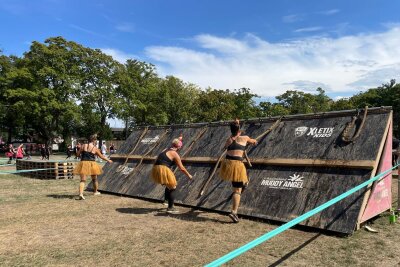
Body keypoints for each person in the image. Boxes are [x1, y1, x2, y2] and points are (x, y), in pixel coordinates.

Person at [219, 119, 257, 223]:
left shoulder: (229, 139)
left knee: (241, 183)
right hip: (236, 165)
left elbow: (225, 147)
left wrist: (237, 124)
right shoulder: (244, 138)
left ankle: (244, 183)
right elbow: (254, 142)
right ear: (239, 130)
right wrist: (249, 142)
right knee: (237, 190)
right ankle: (234, 212)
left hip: (228, 164)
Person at [150, 135, 193, 213]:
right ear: (179, 147)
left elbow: (174, 144)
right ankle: (170, 208)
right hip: (164, 169)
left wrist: (179, 139)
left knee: (168, 184)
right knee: (173, 187)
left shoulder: (165, 149)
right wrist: (188, 175)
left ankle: (166, 201)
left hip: (156, 168)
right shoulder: (174, 154)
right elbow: (181, 168)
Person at [73, 134, 112, 200]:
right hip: (92, 164)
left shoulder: (83, 146)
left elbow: (77, 154)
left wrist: (78, 149)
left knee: (82, 180)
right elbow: (102, 157)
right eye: (96, 140)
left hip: (84, 163)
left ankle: (81, 194)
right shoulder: (95, 148)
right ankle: (95, 191)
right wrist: (108, 160)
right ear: (94, 140)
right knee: (94, 179)